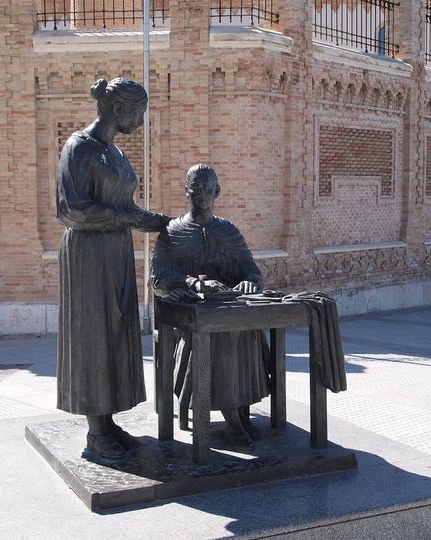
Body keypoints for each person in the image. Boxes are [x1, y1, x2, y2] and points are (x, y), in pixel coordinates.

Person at [56, 78, 169, 459]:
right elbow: (71, 210)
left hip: (116, 250)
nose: (142, 121)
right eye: (140, 112)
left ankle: (108, 423)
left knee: (116, 328)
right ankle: (95, 430)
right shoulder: (80, 148)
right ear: (119, 109)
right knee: (92, 334)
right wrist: (122, 217)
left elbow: (128, 207)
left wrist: (159, 222)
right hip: (87, 255)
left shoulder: (115, 154)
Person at [151, 164, 270, 447]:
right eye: (195, 187)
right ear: (186, 191)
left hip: (228, 313)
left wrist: (250, 282)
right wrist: (193, 283)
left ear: (218, 191)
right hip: (188, 320)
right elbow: (158, 278)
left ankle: (241, 411)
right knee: (219, 336)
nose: (201, 193)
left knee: (247, 330)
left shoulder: (229, 231)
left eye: (207, 188)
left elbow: (252, 271)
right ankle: (233, 420)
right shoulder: (172, 232)